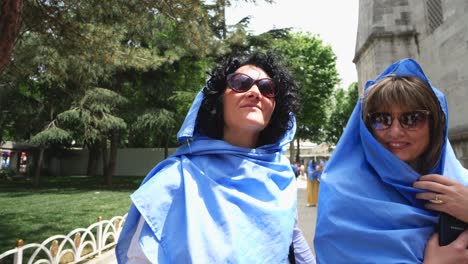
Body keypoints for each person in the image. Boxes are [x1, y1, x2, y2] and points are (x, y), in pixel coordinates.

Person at [115, 51, 315, 263]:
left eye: (267, 88)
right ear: (218, 100)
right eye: (241, 83)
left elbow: (291, 237)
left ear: (276, 107)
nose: (255, 92)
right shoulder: (175, 179)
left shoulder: (280, 174)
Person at [314, 58, 468, 263]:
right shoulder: (343, 196)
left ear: (435, 125)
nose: (395, 131)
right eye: (381, 119)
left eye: (412, 118)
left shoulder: (461, 185)